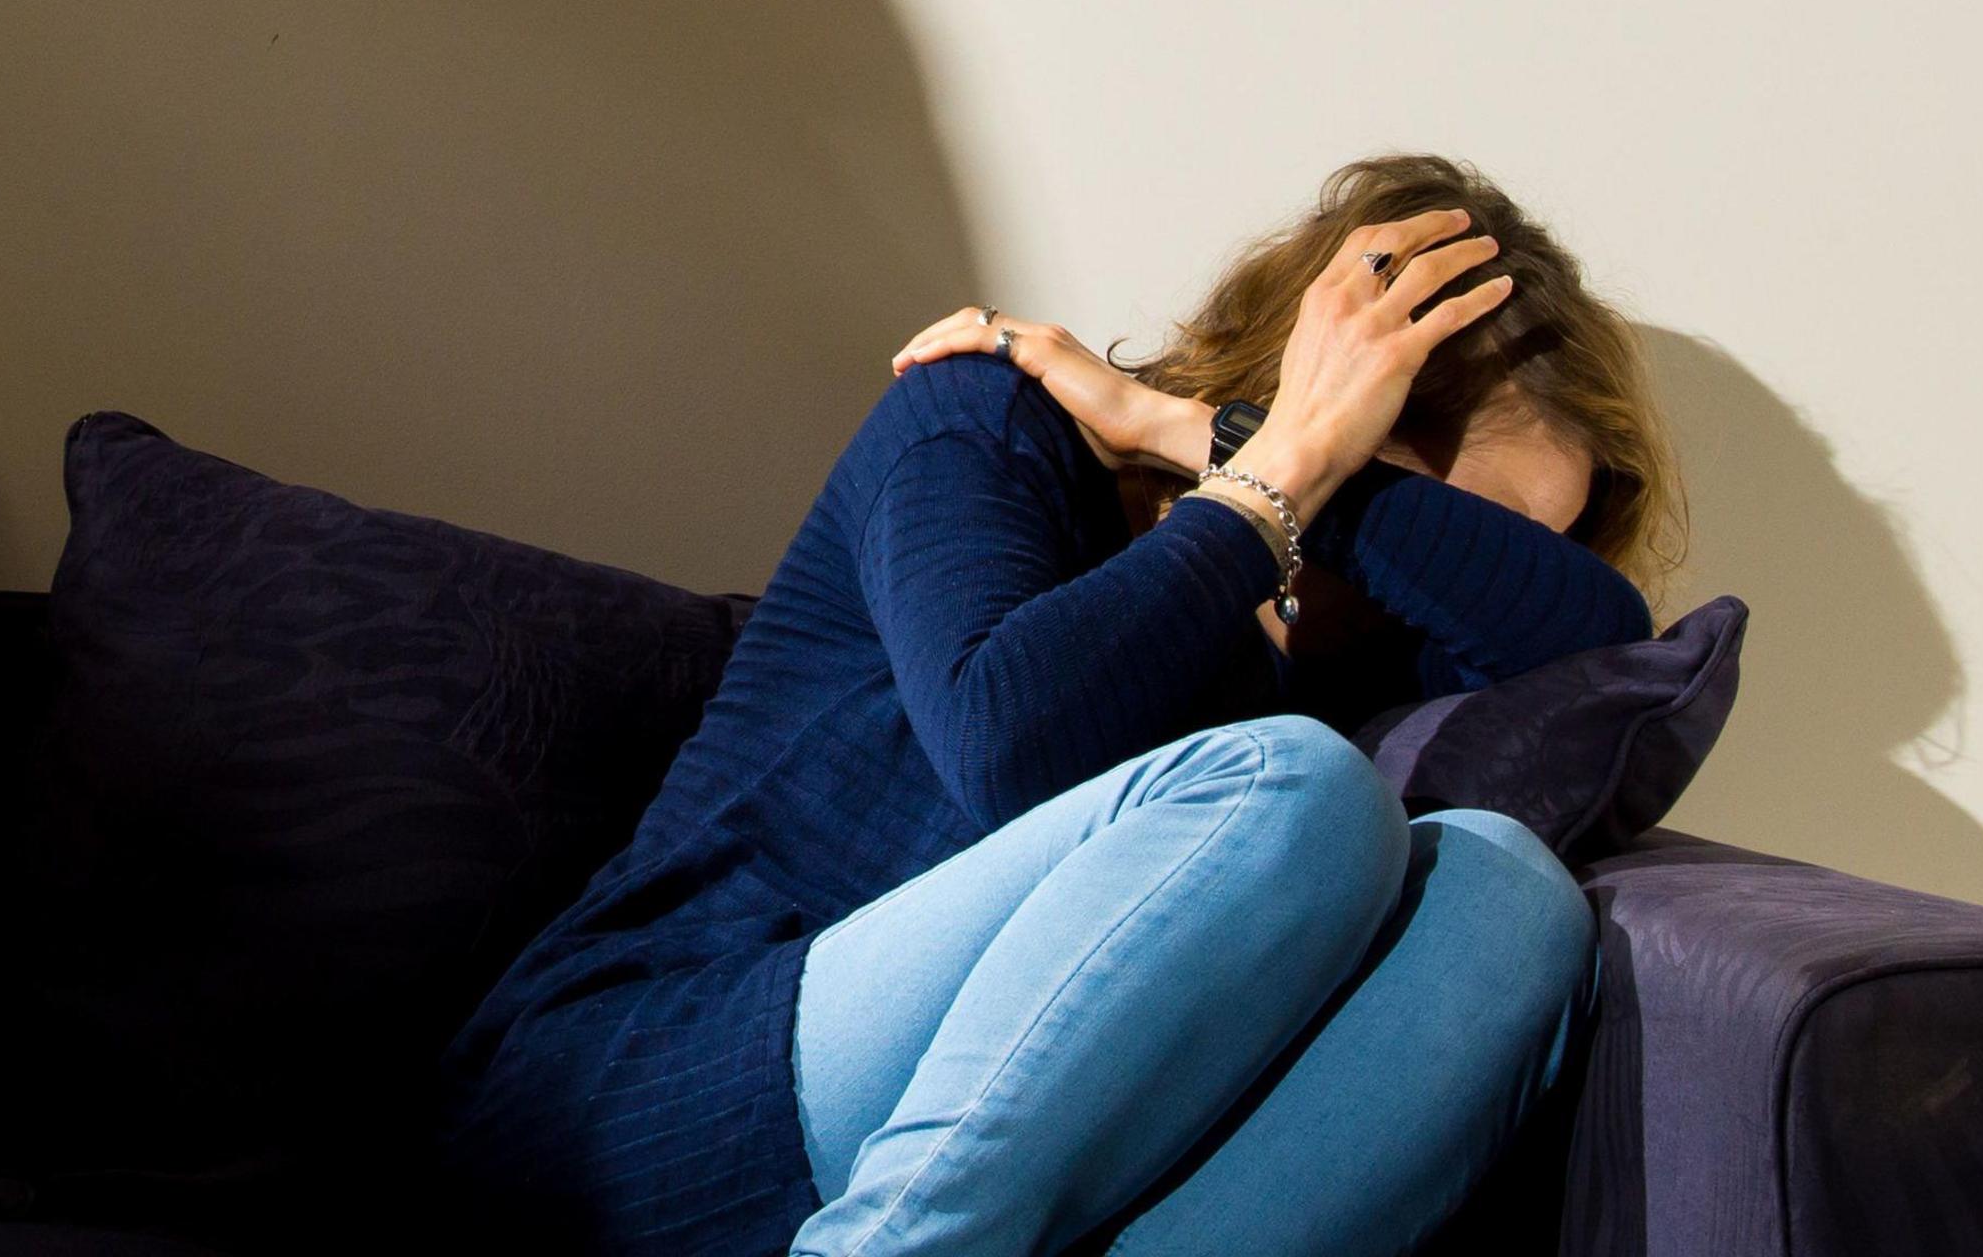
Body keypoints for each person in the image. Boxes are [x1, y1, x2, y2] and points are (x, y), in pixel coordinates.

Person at [439, 154, 1685, 1257]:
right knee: (1290, 787)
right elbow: (1013, 750)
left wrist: (1184, 425)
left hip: (955, 1168)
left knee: (1505, 891)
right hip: (642, 1088)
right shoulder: (982, 420)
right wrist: (1283, 472)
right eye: (1423, 500)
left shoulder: (1347, 634)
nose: (1439, 571)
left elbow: (1593, 635)